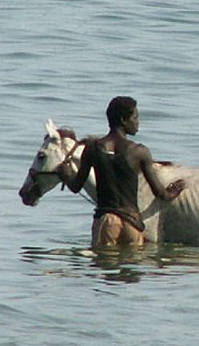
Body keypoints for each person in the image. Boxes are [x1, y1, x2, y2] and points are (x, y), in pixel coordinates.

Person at [56, 96, 185, 248]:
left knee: (105, 261)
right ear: (123, 120)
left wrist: (65, 175)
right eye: (135, 118)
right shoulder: (140, 152)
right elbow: (160, 193)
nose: (138, 122)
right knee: (132, 261)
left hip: (107, 221)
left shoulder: (92, 149)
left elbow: (76, 186)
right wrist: (174, 191)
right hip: (132, 223)